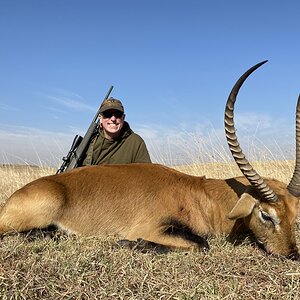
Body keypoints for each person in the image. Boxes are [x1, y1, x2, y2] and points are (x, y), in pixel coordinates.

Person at [80, 97, 151, 166]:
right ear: (100, 118)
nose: (113, 119)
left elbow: (145, 173)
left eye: (117, 114)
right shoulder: (89, 142)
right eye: (107, 114)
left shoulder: (136, 142)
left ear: (123, 118)